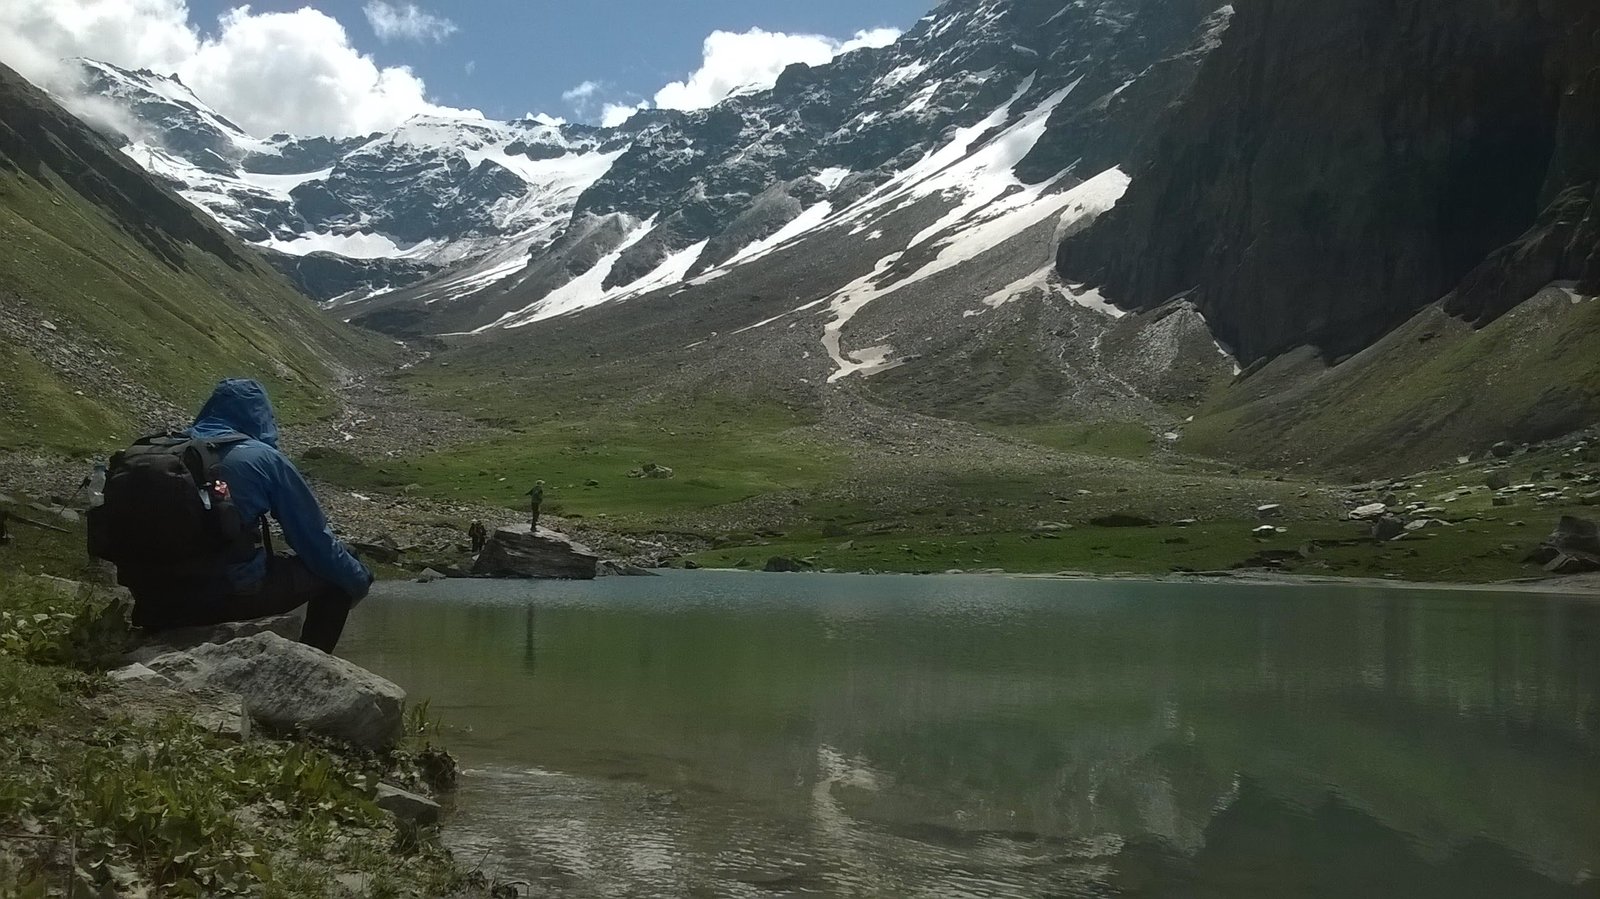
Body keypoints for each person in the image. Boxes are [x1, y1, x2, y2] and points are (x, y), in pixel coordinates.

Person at [115, 379, 372, 652]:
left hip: (152, 603)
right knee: (343, 565)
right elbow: (315, 541)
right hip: (222, 599)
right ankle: (313, 665)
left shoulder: (159, 451)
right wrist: (357, 582)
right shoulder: (262, 457)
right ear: (259, 415)